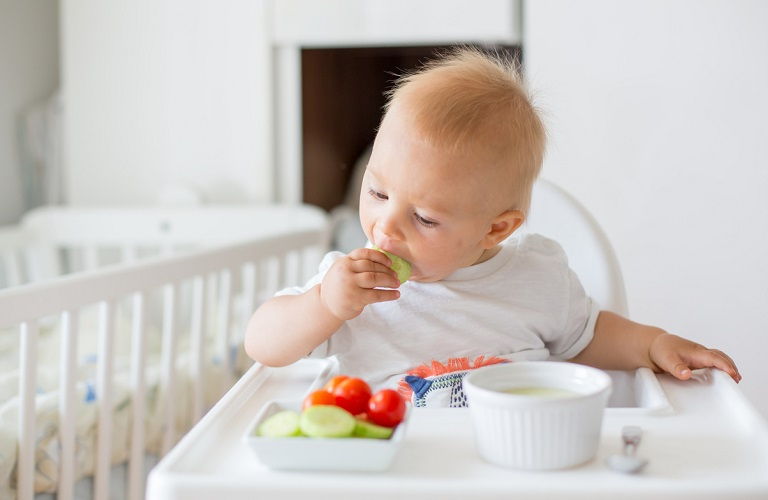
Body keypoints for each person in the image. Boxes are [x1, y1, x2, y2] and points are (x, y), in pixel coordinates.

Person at [244, 47, 740, 404]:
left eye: (425, 218)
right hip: (397, 470)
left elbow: (587, 337)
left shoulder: (536, 279)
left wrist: (654, 343)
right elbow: (263, 345)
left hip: (513, 467)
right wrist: (323, 305)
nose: (386, 227)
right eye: (376, 192)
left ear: (496, 230)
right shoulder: (352, 289)